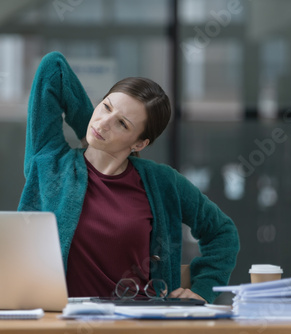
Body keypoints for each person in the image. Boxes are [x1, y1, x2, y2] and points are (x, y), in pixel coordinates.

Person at [18, 51, 239, 303]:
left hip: (141, 322)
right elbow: (52, 67)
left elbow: (222, 233)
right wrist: (87, 131)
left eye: (122, 124)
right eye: (106, 107)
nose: (103, 123)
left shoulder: (163, 182)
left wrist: (204, 289)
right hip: (62, 321)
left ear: (140, 143)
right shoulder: (49, 162)